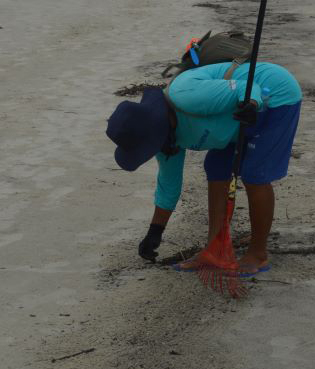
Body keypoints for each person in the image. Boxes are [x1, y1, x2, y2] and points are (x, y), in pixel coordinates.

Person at [106, 61, 303, 275]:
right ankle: (215, 250)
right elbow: (169, 184)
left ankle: (258, 254)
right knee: (216, 166)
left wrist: (252, 104)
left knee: (255, 174)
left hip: (273, 96)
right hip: (234, 120)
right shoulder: (165, 140)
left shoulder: (188, 95)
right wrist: (155, 231)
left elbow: (247, 87)